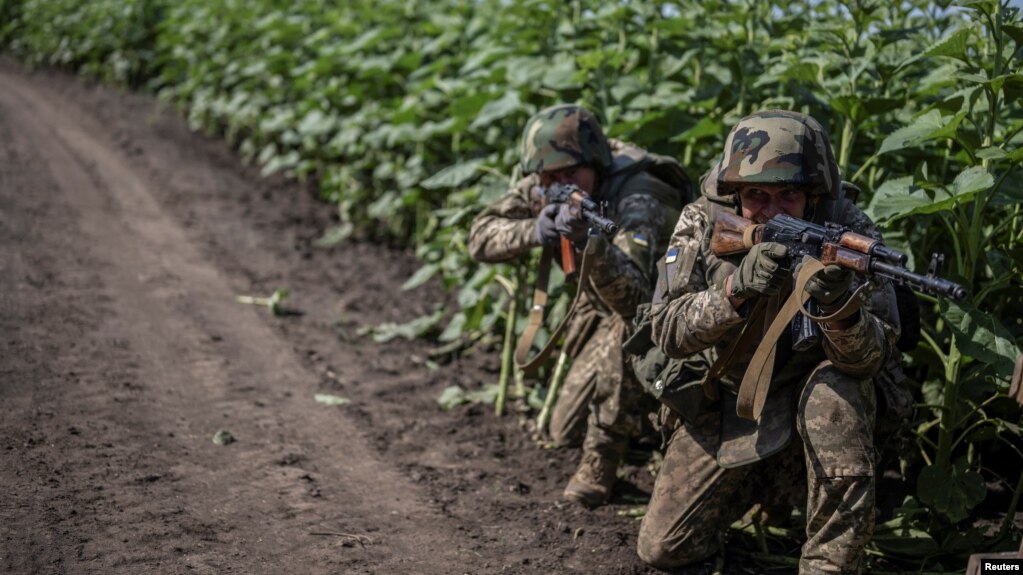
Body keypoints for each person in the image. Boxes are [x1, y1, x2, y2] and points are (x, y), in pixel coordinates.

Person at [636, 110, 901, 573]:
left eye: (788, 196)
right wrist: (733, 291)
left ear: (813, 196)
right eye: (756, 195)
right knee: (664, 548)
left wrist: (840, 309)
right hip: (729, 401)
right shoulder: (702, 222)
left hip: (816, 405)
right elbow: (666, 331)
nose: (772, 210)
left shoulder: (848, 229)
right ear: (733, 191)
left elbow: (874, 358)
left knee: (838, 387)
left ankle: (830, 564)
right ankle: (758, 491)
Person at [468, 103, 690, 507]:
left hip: (664, 323)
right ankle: (639, 421)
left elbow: (638, 300)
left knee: (633, 327)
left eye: (572, 175)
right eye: (551, 178)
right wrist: (535, 230)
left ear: (596, 163)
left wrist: (594, 244)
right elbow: (480, 237)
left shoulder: (641, 196)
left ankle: (603, 461)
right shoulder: (545, 182)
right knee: (562, 430)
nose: (562, 184)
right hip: (600, 308)